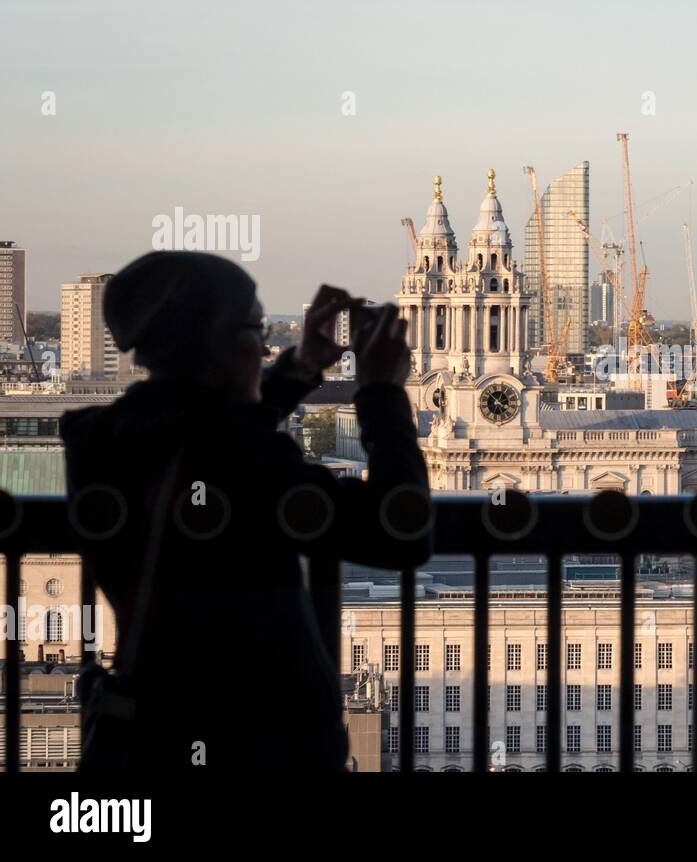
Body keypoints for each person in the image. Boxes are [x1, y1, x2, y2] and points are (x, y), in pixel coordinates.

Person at [60, 251, 428, 772]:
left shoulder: (96, 441)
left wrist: (299, 369)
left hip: (154, 731)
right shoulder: (245, 464)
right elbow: (402, 530)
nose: (264, 346)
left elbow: (203, 432)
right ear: (225, 345)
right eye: (258, 329)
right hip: (260, 744)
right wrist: (384, 395)